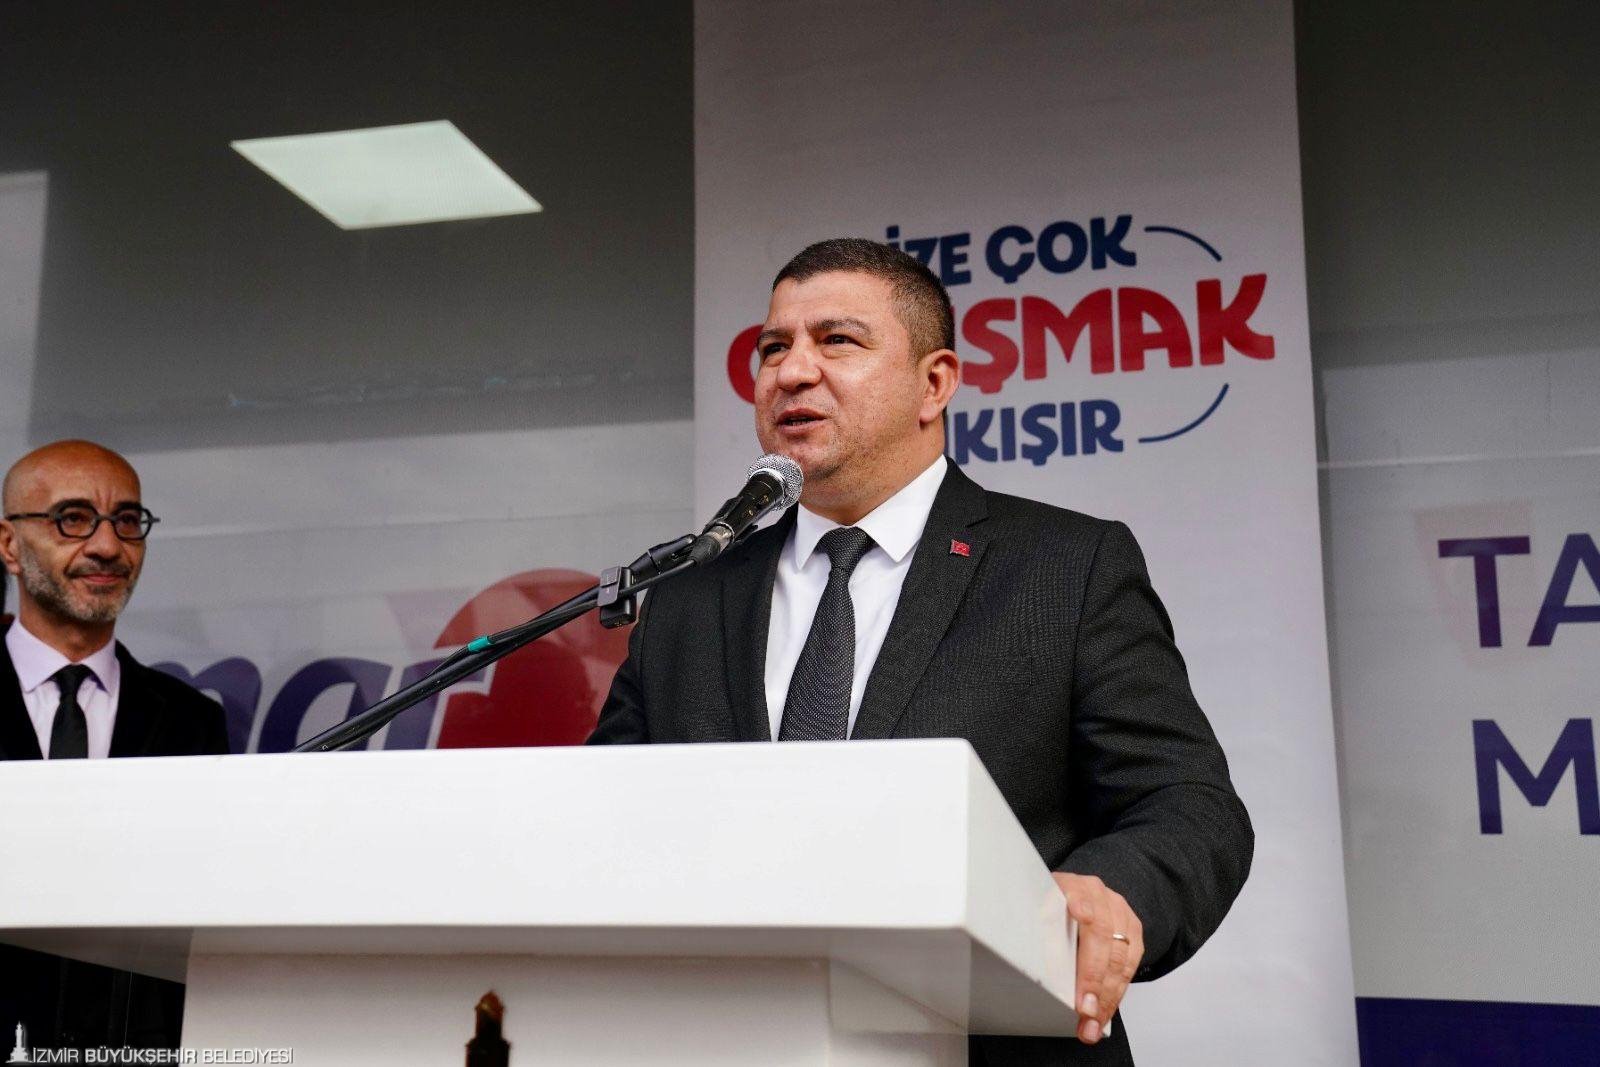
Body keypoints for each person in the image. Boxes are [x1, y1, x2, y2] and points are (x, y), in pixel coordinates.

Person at [589, 239, 1252, 1065]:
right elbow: (601, 815)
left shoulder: (1065, 568)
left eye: (836, 340)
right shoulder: (691, 595)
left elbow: (1189, 803)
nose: (791, 371)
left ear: (935, 384)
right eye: (772, 347)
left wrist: (1113, 891)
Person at [0, 439, 228, 1052]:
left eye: (127, 521)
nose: (107, 545)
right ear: (9, 545)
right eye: (72, 518)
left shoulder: (192, 723)